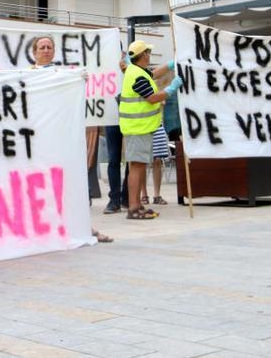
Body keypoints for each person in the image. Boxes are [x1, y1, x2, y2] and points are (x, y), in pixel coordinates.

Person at [30, 35, 111, 243]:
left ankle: (84, 227)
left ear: (54, 51)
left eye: (49, 47)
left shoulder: (63, 74)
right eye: (42, 47)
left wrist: (78, 81)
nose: (46, 50)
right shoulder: (26, 76)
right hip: (38, 142)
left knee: (69, 186)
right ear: (34, 52)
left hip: (61, 141)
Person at [119, 40, 182, 220]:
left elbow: (154, 74)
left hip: (141, 128)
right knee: (137, 167)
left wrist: (171, 65)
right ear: (143, 55)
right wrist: (171, 88)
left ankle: (137, 205)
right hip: (137, 128)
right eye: (148, 52)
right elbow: (152, 98)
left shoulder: (137, 71)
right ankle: (133, 208)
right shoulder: (137, 75)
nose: (150, 55)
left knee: (138, 166)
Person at [104, 46, 130, 215]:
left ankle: (128, 196)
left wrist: (126, 68)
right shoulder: (103, 65)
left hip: (129, 116)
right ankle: (114, 199)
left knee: (131, 160)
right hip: (111, 117)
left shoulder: (130, 64)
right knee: (113, 159)